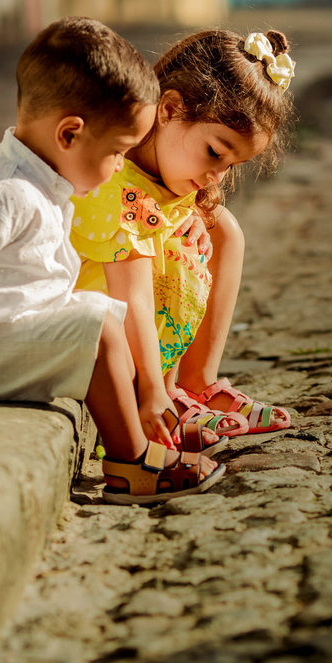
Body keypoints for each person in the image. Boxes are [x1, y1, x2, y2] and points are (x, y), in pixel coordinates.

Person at [0, 17, 223, 505]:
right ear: (69, 134)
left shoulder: (43, 177)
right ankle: (132, 462)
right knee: (101, 329)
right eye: (116, 154)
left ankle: (138, 429)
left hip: (5, 328)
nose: (116, 172)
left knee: (104, 314)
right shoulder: (2, 195)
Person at [68, 29, 296, 447]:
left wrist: (190, 214)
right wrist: (153, 393)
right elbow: (130, 295)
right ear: (169, 109)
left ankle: (197, 382)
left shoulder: (167, 175)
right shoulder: (115, 185)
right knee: (171, 247)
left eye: (232, 164)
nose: (216, 175)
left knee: (221, 227)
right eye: (215, 152)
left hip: (128, 307)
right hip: (95, 327)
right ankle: (156, 394)